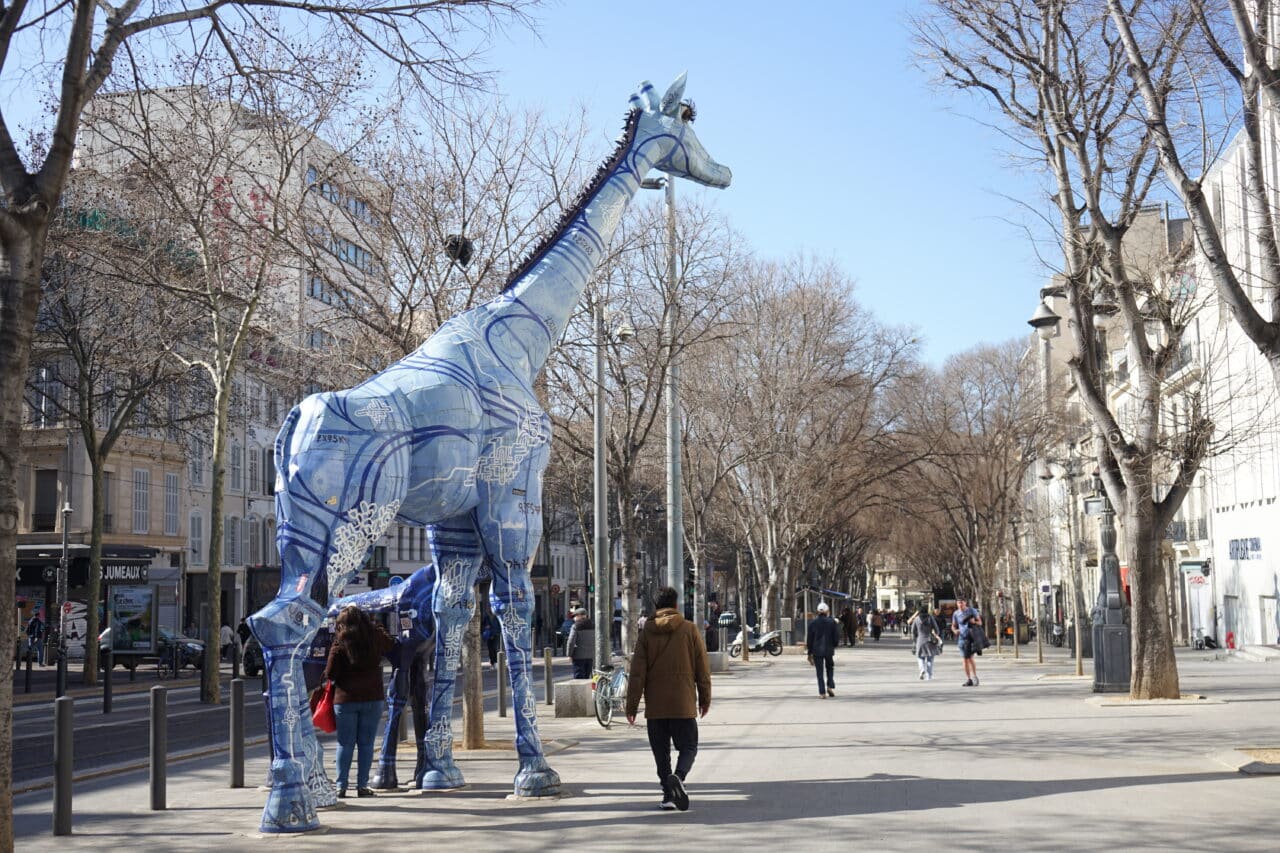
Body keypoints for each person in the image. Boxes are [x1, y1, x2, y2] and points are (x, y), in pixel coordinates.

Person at [625, 586, 711, 812]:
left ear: (656, 607)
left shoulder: (646, 634)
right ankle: (679, 777)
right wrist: (705, 698)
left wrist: (631, 706)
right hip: (683, 703)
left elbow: (637, 674)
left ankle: (668, 794)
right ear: (676, 605)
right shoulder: (689, 629)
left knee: (660, 752)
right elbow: (702, 668)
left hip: (655, 706)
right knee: (689, 746)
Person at [323, 605, 395, 798]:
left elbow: (329, 673)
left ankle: (341, 786)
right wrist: (377, 626)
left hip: (345, 698)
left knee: (345, 744)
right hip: (372, 697)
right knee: (366, 744)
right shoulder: (375, 636)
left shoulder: (339, 642)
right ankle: (362, 786)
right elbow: (390, 644)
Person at [806, 602, 840, 698]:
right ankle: (830, 686)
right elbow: (836, 637)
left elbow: (810, 639)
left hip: (817, 650)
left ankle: (822, 693)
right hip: (829, 649)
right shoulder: (832, 622)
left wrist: (809, 653)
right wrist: (834, 645)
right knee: (830, 667)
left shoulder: (812, 623)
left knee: (819, 671)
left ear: (817, 611)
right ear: (827, 611)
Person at [952, 597, 983, 686]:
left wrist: (974, 622)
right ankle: (968, 679)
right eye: (958, 603)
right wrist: (955, 631)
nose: (960, 605)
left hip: (971, 638)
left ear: (965, 603)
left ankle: (974, 676)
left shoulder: (972, 611)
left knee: (970, 658)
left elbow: (980, 623)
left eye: (961, 603)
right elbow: (953, 626)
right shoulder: (956, 613)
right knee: (965, 659)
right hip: (962, 638)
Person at [911, 606, 942, 681]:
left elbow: (913, 631)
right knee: (930, 659)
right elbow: (937, 630)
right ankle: (929, 676)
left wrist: (915, 640)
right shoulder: (930, 618)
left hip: (920, 640)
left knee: (920, 657)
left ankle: (922, 670)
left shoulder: (916, 619)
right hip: (930, 640)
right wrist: (935, 635)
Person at [566, 608, 595, 679]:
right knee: (587, 677)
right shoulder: (593, 625)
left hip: (578, 656)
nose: (574, 618)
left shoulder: (575, 626)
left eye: (575, 616)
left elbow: (571, 641)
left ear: (579, 616)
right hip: (590, 656)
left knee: (578, 677)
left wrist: (569, 654)